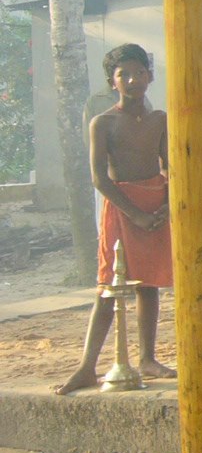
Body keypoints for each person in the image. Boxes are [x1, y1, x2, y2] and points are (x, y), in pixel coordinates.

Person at [56, 45, 176, 394]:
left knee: (149, 285)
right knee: (109, 287)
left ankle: (148, 358)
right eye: (124, 74)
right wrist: (135, 214)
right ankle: (86, 367)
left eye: (139, 72)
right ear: (113, 81)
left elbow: (169, 166)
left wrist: (166, 204)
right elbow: (99, 178)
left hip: (155, 204)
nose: (132, 79)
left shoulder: (160, 120)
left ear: (150, 76)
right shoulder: (103, 122)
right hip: (123, 209)